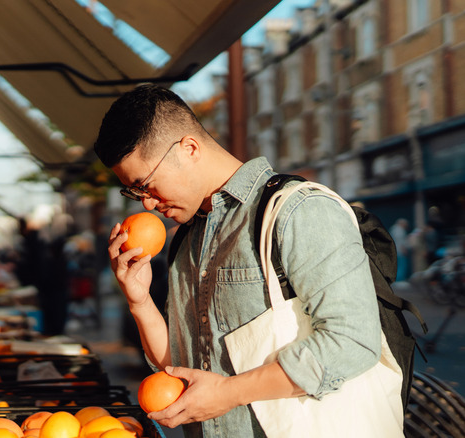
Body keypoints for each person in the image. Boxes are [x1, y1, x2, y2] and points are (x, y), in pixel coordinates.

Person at [93, 84, 385, 437]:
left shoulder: (298, 211)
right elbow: (181, 368)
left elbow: (353, 340)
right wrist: (139, 300)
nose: (147, 204)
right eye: (135, 192)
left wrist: (229, 393)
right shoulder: (189, 237)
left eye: (147, 185)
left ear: (189, 148)